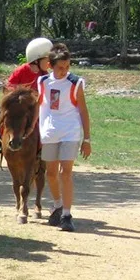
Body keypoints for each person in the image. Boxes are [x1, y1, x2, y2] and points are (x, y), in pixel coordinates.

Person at [38, 43, 91, 232]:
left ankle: (67, 215)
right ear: (50, 66)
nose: (65, 71)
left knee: (66, 172)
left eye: (67, 67)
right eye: (60, 67)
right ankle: (58, 205)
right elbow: (39, 106)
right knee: (50, 173)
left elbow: (83, 111)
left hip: (70, 132)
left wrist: (87, 139)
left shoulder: (76, 83)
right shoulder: (42, 82)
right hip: (50, 133)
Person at [0, 37, 53, 153]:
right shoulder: (21, 70)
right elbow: (9, 87)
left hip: (33, 106)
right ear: (37, 59)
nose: (49, 63)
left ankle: (44, 144)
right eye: (47, 60)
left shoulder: (44, 75)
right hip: (16, 104)